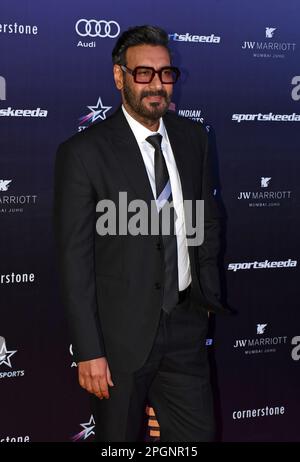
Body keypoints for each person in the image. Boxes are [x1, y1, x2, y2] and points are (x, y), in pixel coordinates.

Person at [53, 25, 227, 442]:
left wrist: (205, 295)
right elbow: (74, 262)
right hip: (118, 340)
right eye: (143, 73)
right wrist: (88, 350)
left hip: (185, 327)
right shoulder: (83, 153)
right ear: (120, 78)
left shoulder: (193, 139)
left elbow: (204, 220)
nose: (157, 85)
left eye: (166, 74)